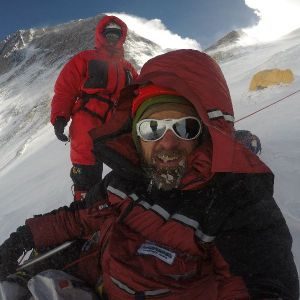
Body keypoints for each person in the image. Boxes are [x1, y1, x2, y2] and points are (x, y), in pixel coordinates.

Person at [0, 49, 298, 299]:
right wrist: (24, 236)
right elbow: (79, 217)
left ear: (204, 135)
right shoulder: (124, 180)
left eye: (184, 127)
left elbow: (264, 286)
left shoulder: (237, 203)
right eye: (152, 129)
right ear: (135, 136)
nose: (167, 143)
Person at [51, 15, 138, 201]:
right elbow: (65, 89)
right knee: (86, 171)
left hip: (118, 123)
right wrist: (59, 117)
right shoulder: (84, 59)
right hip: (87, 119)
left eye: (116, 34)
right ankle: (85, 210)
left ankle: (125, 206)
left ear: (122, 37)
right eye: (109, 34)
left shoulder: (128, 68)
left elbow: (140, 94)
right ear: (101, 35)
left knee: (131, 167)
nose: (112, 38)